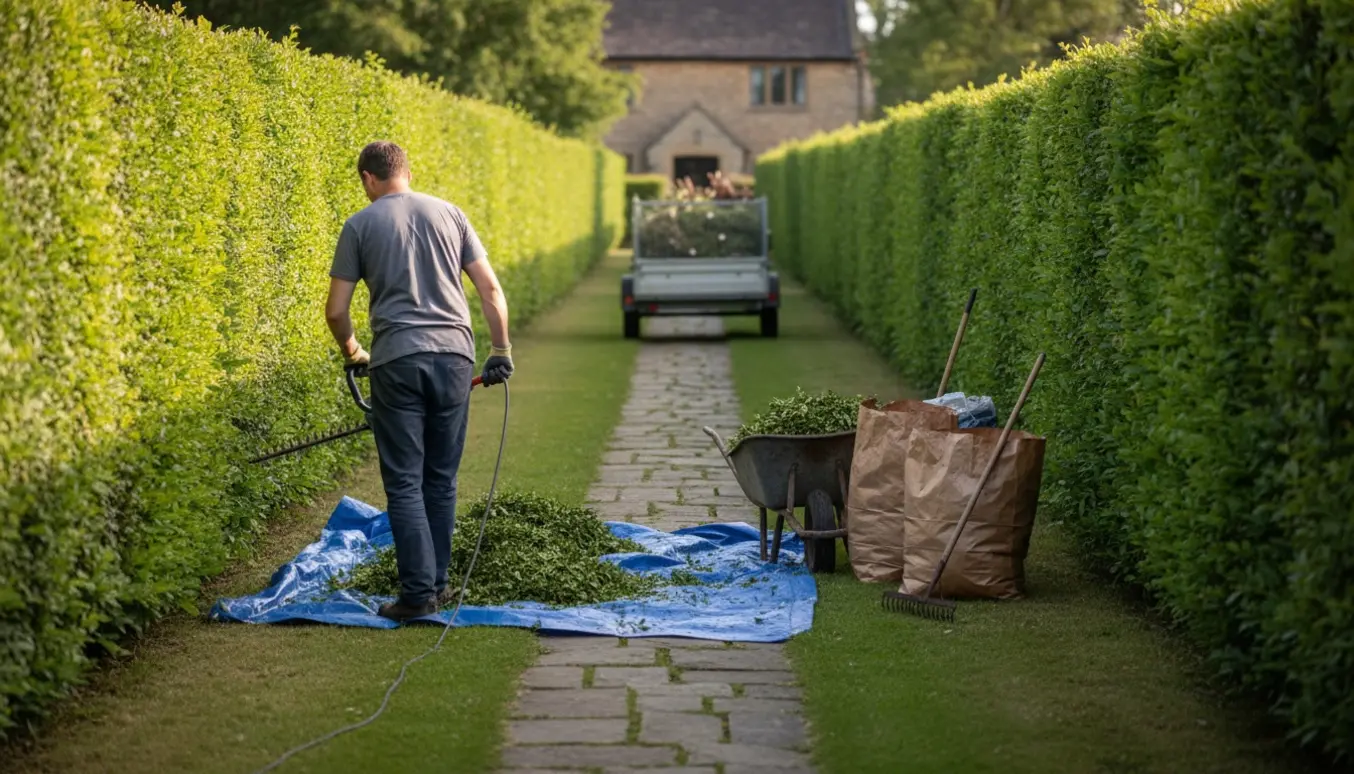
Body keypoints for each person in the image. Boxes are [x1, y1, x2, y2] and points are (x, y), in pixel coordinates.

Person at [324, 140, 513, 622]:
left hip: (396, 360)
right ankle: (440, 585)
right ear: (407, 171)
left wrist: (354, 351)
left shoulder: (358, 225)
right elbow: (490, 289)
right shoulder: (451, 214)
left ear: (369, 179)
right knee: (440, 480)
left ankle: (416, 595)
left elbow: (336, 310)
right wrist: (501, 351)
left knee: (405, 482)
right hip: (454, 357)